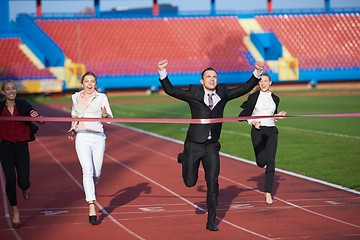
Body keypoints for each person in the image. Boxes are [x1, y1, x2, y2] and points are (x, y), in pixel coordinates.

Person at [157, 59, 264, 231]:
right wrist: (163, 72)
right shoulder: (194, 93)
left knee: (213, 183)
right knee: (190, 182)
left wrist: (257, 73)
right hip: (193, 145)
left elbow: (243, 89)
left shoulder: (223, 92)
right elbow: (171, 90)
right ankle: (184, 157)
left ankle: (211, 220)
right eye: (208, 77)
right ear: (202, 81)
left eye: (214, 76)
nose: (212, 79)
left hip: (212, 146)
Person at [68, 71, 113, 225]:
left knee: (96, 173)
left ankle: (90, 187)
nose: (89, 84)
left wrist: (105, 115)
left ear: (95, 83)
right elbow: (74, 115)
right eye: (87, 81)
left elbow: (109, 119)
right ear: (82, 83)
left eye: (92, 81)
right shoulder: (75, 97)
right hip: (82, 137)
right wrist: (72, 128)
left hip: (98, 137)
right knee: (87, 171)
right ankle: (91, 205)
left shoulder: (102, 97)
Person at [0, 80, 44, 228]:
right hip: (4, 147)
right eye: (7, 89)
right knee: (10, 179)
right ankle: (15, 211)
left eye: (13, 88)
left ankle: (25, 187)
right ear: (3, 92)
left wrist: (36, 116)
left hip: (21, 146)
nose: (11, 91)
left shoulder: (23, 104)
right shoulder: (0, 107)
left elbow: (38, 120)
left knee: (23, 181)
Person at [238, 73, 286, 204]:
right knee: (261, 162)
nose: (263, 83)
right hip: (257, 131)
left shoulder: (275, 98)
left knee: (271, 161)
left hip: (271, 131)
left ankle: (268, 192)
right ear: (258, 83)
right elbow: (245, 115)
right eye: (261, 81)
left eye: (266, 81)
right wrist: (253, 122)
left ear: (270, 82)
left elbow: (271, 115)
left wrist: (277, 116)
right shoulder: (253, 97)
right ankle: (261, 162)